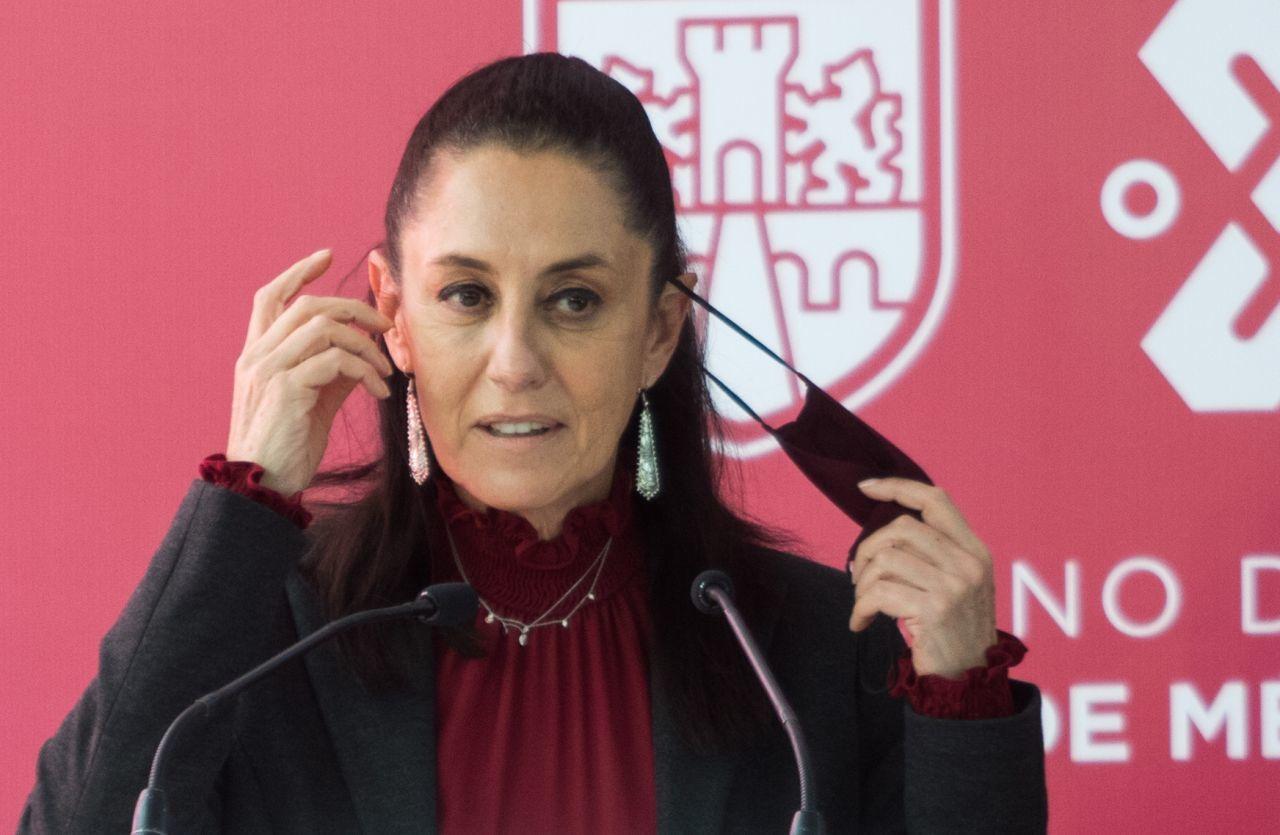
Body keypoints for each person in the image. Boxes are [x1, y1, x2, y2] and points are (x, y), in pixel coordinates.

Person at [20, 53, 1047, 833]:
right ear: (393, 314)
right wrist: (242, 506)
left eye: (574, 299)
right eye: (466, 295)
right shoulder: (268, 629)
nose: (514, 362)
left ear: (658, 328)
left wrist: (959, 695)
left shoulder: (805, 648)